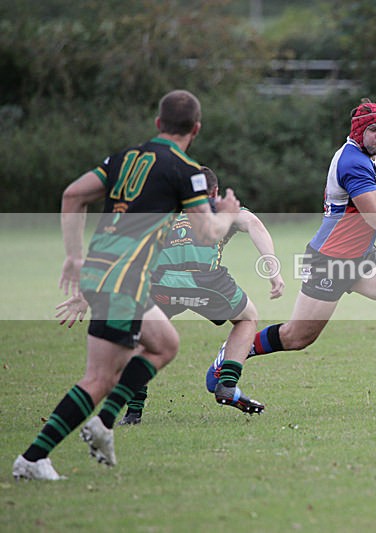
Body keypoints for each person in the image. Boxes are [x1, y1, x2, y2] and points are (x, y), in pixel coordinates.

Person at [12, 90, 240, 481]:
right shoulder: (187, 170)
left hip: (110, 272)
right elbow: (205, 232)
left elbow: (72, 194)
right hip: (122, 280)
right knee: (99, 378)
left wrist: (74, 255)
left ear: (158, 124)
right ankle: (33, 458)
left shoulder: (123, 158)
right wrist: (229, 214)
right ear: (196, 130)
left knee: (165, 344)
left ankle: (103, 424)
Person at [206, 99, 376, 411]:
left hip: (361, 257)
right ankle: (231, 354)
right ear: (359, 132)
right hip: (329, 262)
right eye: (374, 130)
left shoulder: (367, 154)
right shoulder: (352, 163)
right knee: (297, 337)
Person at [115, 165, 285, 424]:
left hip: (161, 284)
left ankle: (133, 411)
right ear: (214, 191)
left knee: (141, 339)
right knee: (247, 318)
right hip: (207, 284)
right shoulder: (218, 206)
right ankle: (227, 383)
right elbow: (254, 224)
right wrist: (273, 269)